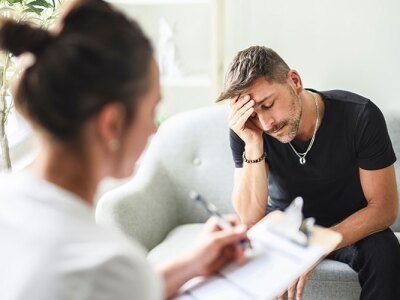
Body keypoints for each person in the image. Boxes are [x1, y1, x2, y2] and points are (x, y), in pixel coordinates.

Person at [0, 1, 248, 299]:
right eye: (152, 110)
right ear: (112, 124)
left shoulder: (9, 201)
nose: (154, 129)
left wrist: (192, 263)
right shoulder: (107, 264)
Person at [217, 45, 400, 300]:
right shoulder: (251, 130)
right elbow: (250, 217)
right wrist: (253, 142)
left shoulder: (360, 116)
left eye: (268, 104)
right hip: (286, 223)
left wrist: (318, 243)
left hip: (353, 220)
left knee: (386, 252)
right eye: (253, 115)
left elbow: (384, 208)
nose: (266, 123)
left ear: (295, 81)